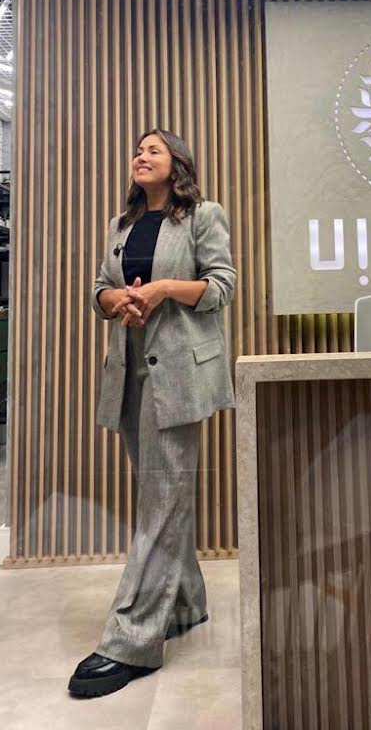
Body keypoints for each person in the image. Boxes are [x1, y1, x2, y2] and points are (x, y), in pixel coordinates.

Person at [67, 128, 236, 699]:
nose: (140, 156)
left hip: (181, 373)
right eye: (138, 150)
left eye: (152, 150)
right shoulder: (121, 224)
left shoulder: (204, 216)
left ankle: (132, 640)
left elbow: (221, 287)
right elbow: (100, 290)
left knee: (160, 502)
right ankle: (186, 604)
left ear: (176, 163)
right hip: (130, 375)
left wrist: (163, 288)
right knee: (161, 493)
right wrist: (117, 299)